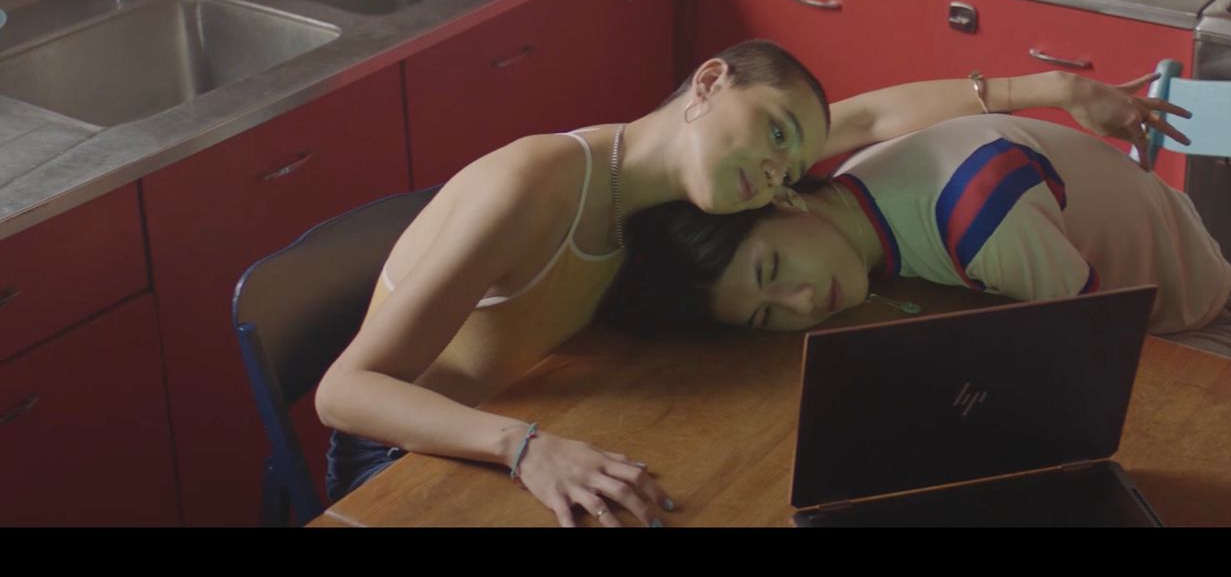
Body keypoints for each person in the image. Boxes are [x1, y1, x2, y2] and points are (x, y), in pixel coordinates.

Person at [314, 38, 1179, 528]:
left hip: (543, 421)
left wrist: (1062, 89)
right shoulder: (532, 185)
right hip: (411, 462)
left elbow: (875, 116)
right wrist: (526, 448)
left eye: (789, 164)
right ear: (709, 81)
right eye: (771, 133)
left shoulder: (665, 207)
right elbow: (346, 392)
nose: (774, 177)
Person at [602, 111, 1231, 369]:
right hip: (1098, 309)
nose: (802, 302)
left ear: (780, 197)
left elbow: (1092, 366)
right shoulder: (856, 202)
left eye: (772, 267)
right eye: (766, 315)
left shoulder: (977, 217)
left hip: (1204, 325)